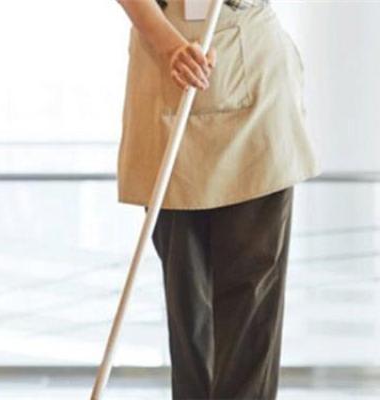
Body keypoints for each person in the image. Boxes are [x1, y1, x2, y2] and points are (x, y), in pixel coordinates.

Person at [115, 0, 319, 399]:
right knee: (188, 302)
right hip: (162, 77)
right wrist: (170, 45)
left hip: (254, 81)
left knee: (251, 296)